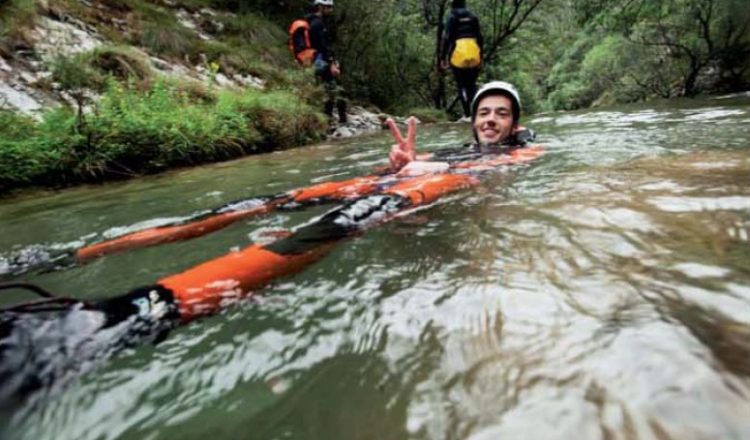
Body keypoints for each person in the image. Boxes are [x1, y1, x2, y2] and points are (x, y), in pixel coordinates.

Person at [387, 81, 534, 176]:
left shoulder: (525, 149)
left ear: (515, 126)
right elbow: (419, 158)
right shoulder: (461, 150)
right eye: (483, 113)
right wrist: (406, 160)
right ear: (474, 121)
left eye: (501, 114)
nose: (490, 119)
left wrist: (445, 170)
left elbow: (514, 161)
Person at [440, 0, 483, 120]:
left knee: (461, 85)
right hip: (474, 53)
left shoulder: (452, 18)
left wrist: (443, 58)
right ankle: (476, 112)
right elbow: (480, 37)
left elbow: (447, 38)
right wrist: (481, 57)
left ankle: (468, 114)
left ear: (453, 7)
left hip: (458, 54)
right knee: (472, 85)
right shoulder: (473, 18)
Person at [306, 0, 347, 124]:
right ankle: (340, 120)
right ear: (320, 7)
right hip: (322, 61)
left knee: (329, 89)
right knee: (337, 89)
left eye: (331, 7)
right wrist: (332, 63)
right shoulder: (317, 24)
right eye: (328, 7)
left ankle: (329, 118)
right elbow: (322, 46)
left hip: (318, 60)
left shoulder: (313, 22)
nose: (330, 10)